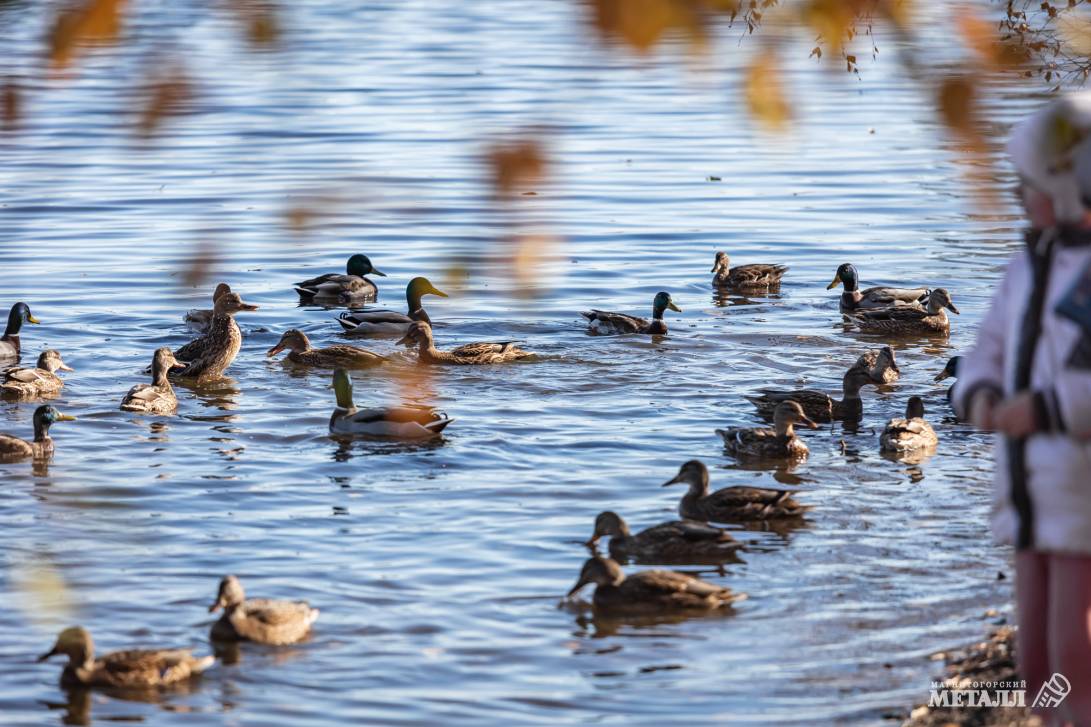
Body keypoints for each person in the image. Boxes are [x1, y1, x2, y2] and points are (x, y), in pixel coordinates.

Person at [954, 92, 1091, 724]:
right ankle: (1046, 712)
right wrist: (976, 393)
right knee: (1033, 651)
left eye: (1027, 183)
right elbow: (988, 347)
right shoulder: (1023, 270)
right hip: (1026, 488)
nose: (1015, 194)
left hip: (1079, 492)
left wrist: (1045, 409)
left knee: (1075, 639)